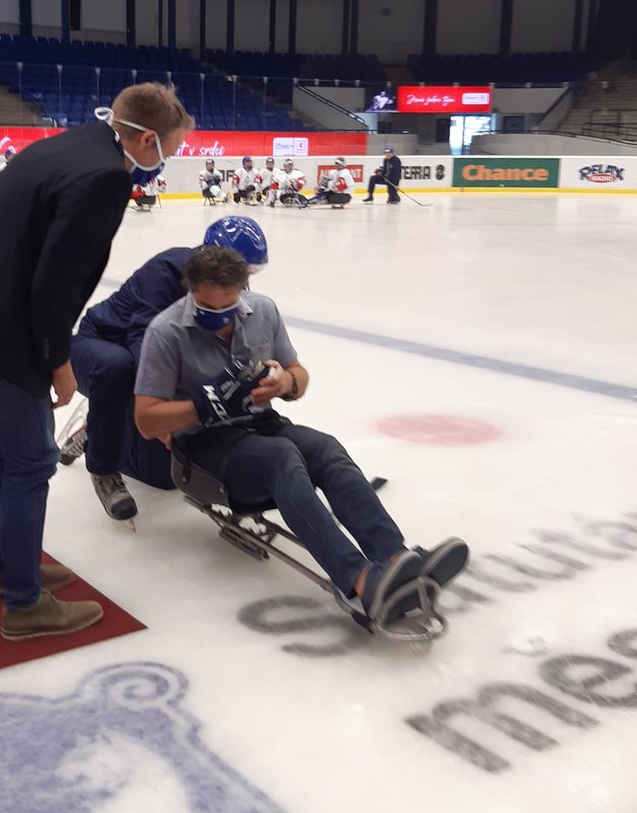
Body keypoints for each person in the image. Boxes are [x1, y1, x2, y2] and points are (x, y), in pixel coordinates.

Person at [0, 83, 193, 642]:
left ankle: (2, 565)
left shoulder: (73, 145)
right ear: (144, 139)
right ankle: (23, 604)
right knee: (33, 459)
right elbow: (56, 283)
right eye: (171, 148)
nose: (170, 160)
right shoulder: (106, 177)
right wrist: (57, 359)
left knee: (10, 448)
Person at [134, 246, 469, 628]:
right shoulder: (166, 332)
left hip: (260, 424)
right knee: (281, 457)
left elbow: (299, 375)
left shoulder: (263, 311)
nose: (220, 319)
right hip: (202, 447)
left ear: (243, 289)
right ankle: (361, 582)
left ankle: (393, 559)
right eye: (209, 311)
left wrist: (284, 384)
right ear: (191, 291)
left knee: (324, 448)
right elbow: (146, 421)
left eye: (229, 307)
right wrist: (204, 405)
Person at [66, 216, 269, 523]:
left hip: (143, 355)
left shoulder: (230, 285)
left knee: (164, 476)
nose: (247, 279)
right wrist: (171, 411)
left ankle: (98, 430)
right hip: (102, 345)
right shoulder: (166, 271)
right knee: (118, 367)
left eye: (252, 271)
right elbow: (143, 345)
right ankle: (103, 468)